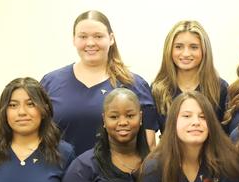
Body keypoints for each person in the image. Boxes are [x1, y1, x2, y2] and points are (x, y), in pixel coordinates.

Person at [41, 10, 157, 155]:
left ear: (111, 38)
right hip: (61, 174)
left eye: (98, 36)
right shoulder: (51, 83)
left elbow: (149, 145)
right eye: (83, 36)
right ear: (74, 40)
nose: (90, 43)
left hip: (118, 176)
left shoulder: (134, 85)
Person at [152, 20, 229, 130]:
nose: (186, 53)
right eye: (179, 47)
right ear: (169, 50)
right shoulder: (158, 90)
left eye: (194, 47)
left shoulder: (220, 89)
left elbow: (225, 135)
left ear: (204, 50)